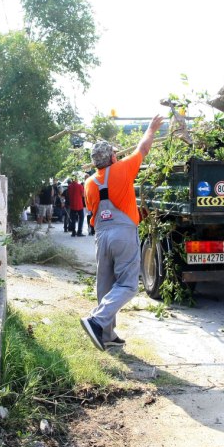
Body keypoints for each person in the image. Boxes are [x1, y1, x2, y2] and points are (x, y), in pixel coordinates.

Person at [80, 115, 165, 351]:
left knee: (105, 285)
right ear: (113, 157)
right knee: (128, 285)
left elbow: (93, 210)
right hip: (123, 234)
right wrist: (150, 128)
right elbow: (143, 148)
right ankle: (97, 320)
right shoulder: (122, 169)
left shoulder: (88, 183)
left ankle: (106, 334)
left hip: (101, 235)